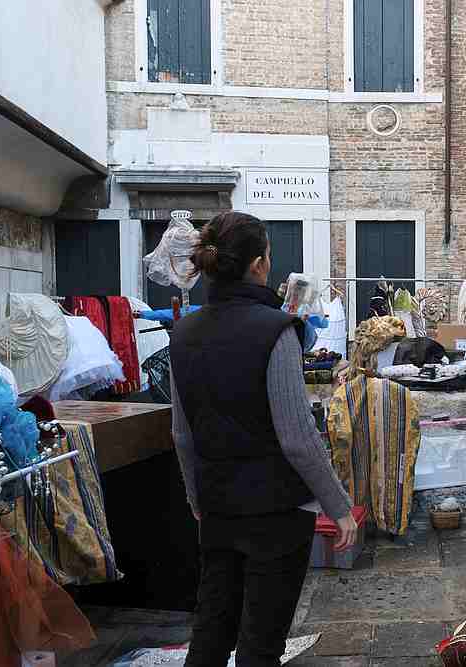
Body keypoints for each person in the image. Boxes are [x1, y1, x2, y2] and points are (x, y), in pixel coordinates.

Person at [169, 212, 356, 666]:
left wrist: (196, 497)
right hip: (275, 513)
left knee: (211, 629)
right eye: (268, 255)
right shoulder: (274, 330)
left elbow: (182, 433)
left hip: (216, 505)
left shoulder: (183, 331)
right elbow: (298, 437)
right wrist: (339, 508)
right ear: (257, 264)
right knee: (261, 640)